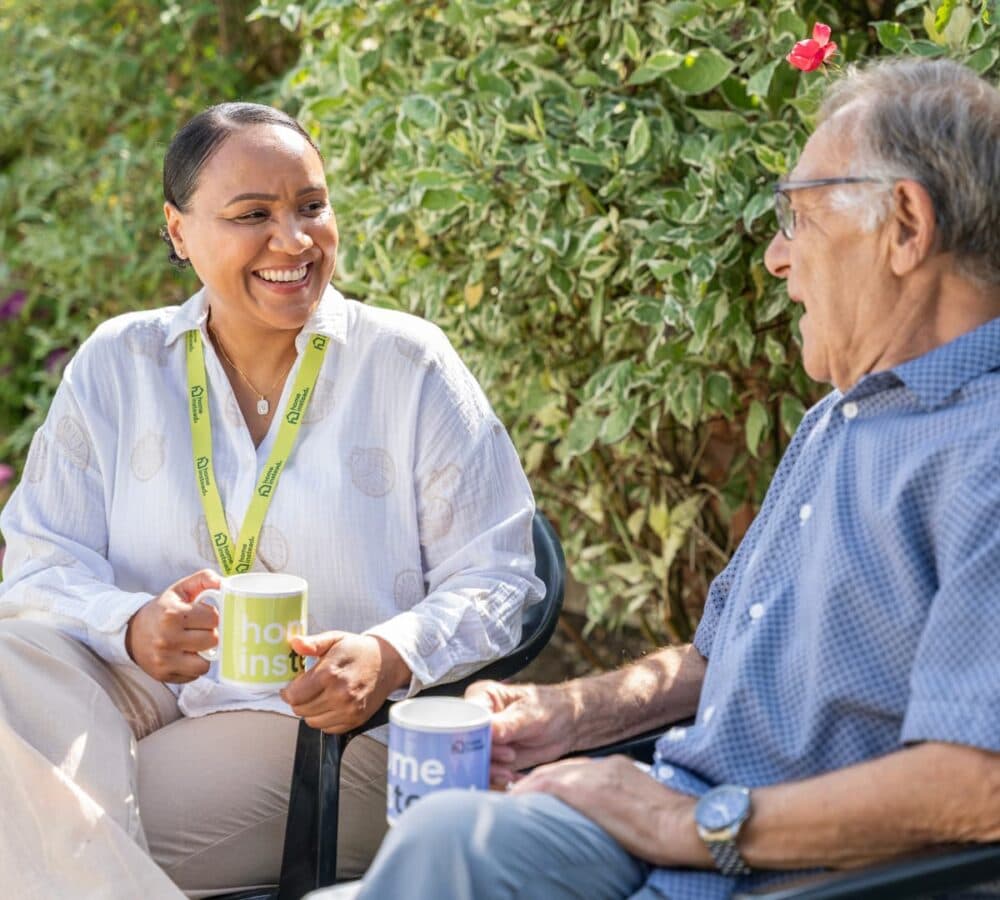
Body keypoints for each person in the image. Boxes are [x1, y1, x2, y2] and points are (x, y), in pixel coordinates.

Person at [334, 57, 1000, 900]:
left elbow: (980, 785)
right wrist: (570, 716)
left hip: (794, 873)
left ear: (905, 224)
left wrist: (685, 826)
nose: (774, 256)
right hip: (668, 829)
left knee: (437, 849)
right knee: (434, 842)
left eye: (797, 215)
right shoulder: (840, 420)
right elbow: (717, 658)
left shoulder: (984, 450)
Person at [0, 102, 543, 899]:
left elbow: (502, 577)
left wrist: (389, 652)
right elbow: (40, 562)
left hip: (319, 726)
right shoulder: (120, 361)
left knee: (37, 830)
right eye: (253, 214)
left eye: (311, 207)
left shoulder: (406, 365)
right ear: (179, 232)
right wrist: (132, 625)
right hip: (133, 689)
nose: (293, 240)